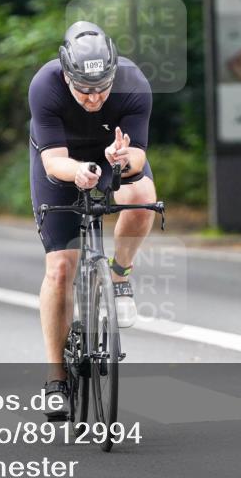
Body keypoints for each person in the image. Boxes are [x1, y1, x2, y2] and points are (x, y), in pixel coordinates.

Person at [28, 21, 157, 415]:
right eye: (83, 90)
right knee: (60, 269)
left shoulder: (134, 82)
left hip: (111, 154)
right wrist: (79, 172)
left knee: (142, 195)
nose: (93, 98)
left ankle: (119, 278)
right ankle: (56, 379)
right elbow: (53, 161)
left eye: (101, 88)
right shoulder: (45, 85)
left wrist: (123, 158)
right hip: (61, 163)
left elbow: (137, 158)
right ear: (66, 76)